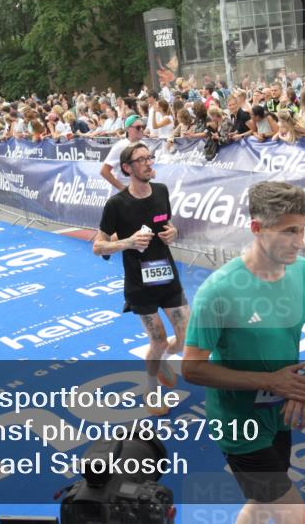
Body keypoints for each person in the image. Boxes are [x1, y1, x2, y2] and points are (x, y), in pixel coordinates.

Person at [182, 181, 305, 523]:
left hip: (280, 416)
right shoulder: (219, 290)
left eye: (303, 229)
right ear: (257, 228)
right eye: (289, 232)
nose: (301, 241)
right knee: (296, 517)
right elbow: (191, 369)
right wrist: (272, 382)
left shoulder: (304, 272)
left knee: (262, 501)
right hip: (238, 426)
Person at [94, 142, 188, 415]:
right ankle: (150, 389)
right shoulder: (117, 204)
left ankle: (160, 361)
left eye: (150, 157)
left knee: (183, 338)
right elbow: (98, 246)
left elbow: (167, 224)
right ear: (127, 168)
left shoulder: (161, 191)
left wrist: (174, 232)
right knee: (157, 340)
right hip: (140, 284)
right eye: (141, 159)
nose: (149, 163)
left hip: (168, 277)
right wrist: (128, 242)